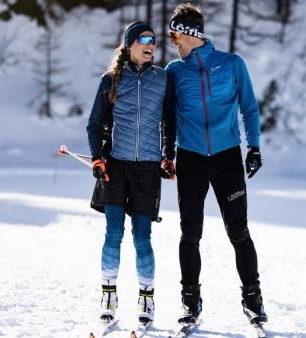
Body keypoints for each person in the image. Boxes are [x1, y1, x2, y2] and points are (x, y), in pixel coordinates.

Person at [162, 3, 268, 328]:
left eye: (174, 34)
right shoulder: (174, 71)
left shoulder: (232, 64)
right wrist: (168, 154)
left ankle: (253, 301)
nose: (171, 41)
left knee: (239, 232)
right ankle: (189, 303)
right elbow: (168, 117)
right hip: (191, 159)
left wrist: (254, 147)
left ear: (190, 34)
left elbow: (249, 107)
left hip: (227, 159)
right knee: (189, 233)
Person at [86, 21, 171, 325]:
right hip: (116, 166)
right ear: (130, 43)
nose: (152, 44)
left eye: (155, 40)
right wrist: (97, 158)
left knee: (142, 236)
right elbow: (94, 125)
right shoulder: (110, 81)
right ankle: (108, 294)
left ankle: (146, 298)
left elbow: (171, 122)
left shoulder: (163, 79)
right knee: (113, 233)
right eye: (146, 39)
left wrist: (168, 156)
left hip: (147, 168)